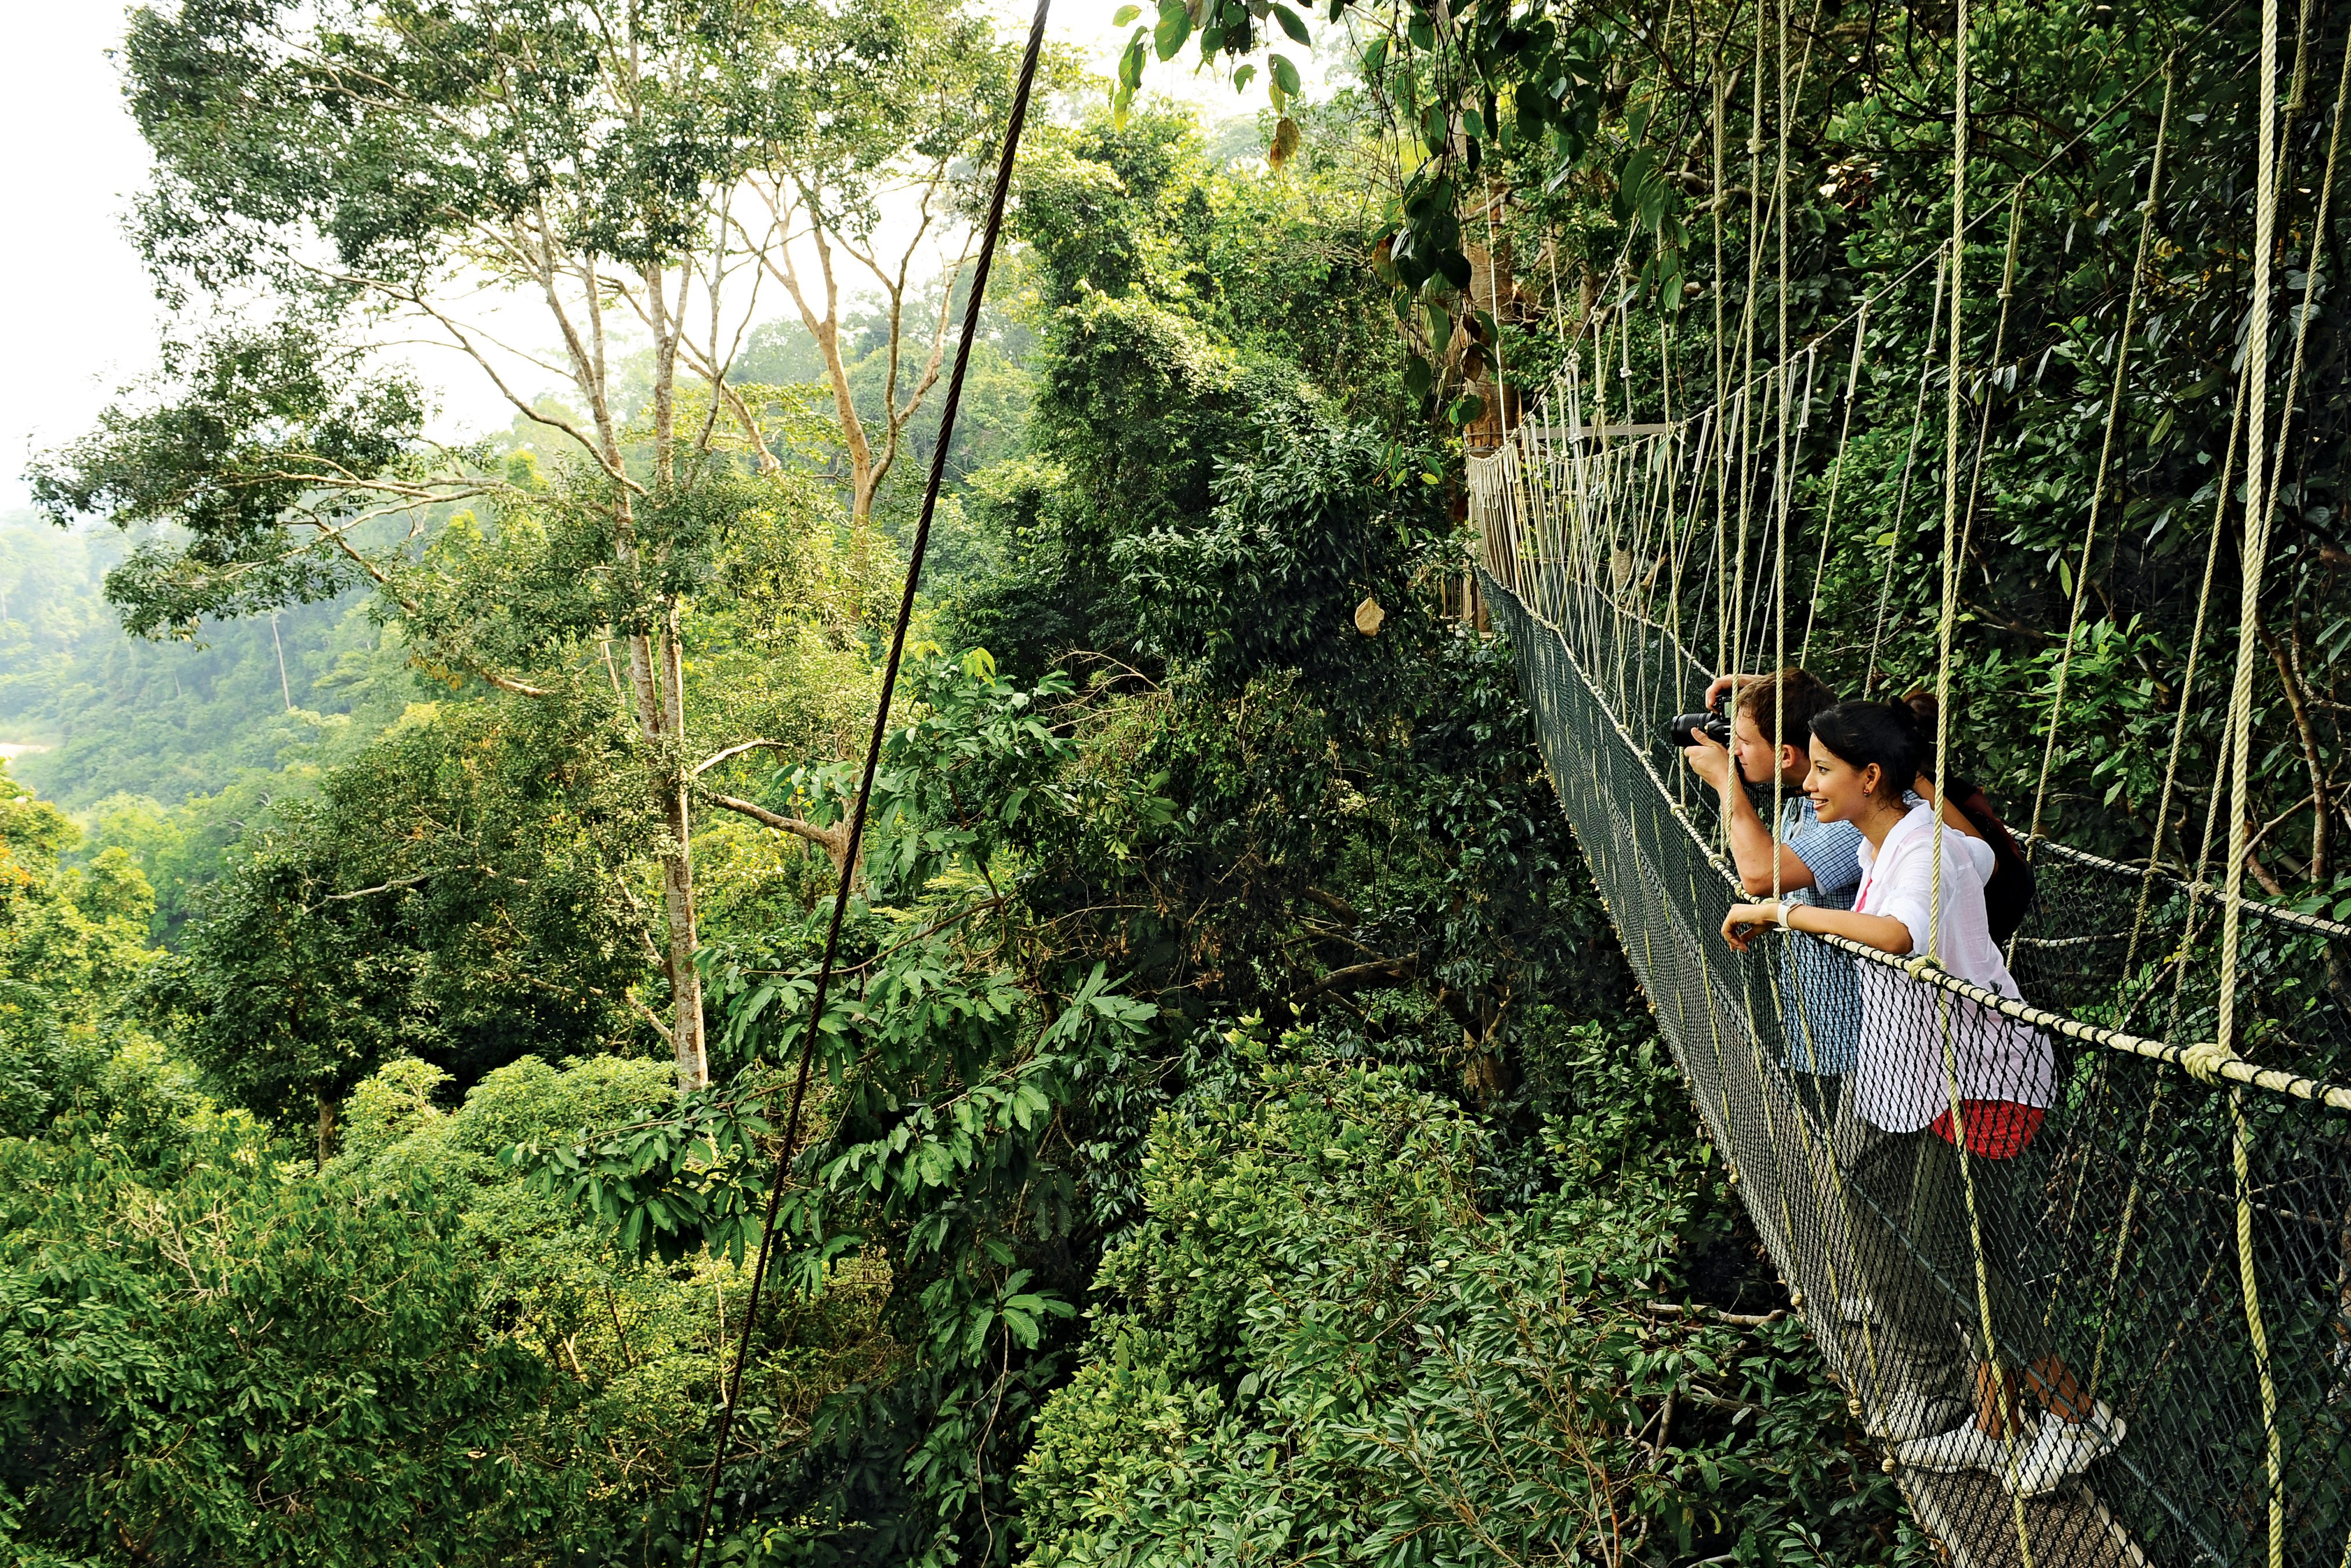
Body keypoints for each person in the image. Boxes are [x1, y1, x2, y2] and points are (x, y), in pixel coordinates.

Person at [1718, 699, 2120, 1496]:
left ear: (1872, 777)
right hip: (1930, 1081)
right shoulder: (1895, 841)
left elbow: (1902, 934)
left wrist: (1780, 910)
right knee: (1950, 1252)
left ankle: (2079, 1418)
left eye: (1826, 768)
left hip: (1978, 1085)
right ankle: (1996, 1420)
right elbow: (1977, 865)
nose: (1811, 779)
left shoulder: (1920, 850)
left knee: (1968, 1266)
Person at [1679, 669, 1862, 1120]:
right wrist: (1771, 690)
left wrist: (1726, 781)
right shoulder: (1805, 798)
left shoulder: (1853, 810)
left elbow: (1761, 874)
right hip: (1814, 1028)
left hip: (1859, 1047)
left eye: (1740, 741)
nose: (1730, 749)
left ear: (1783, 754)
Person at [1894, 688, 2036, 945]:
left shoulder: (1924, 789)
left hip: (1998, 898)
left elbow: (1989, 858)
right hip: (2009, 889)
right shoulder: (1957, 789)